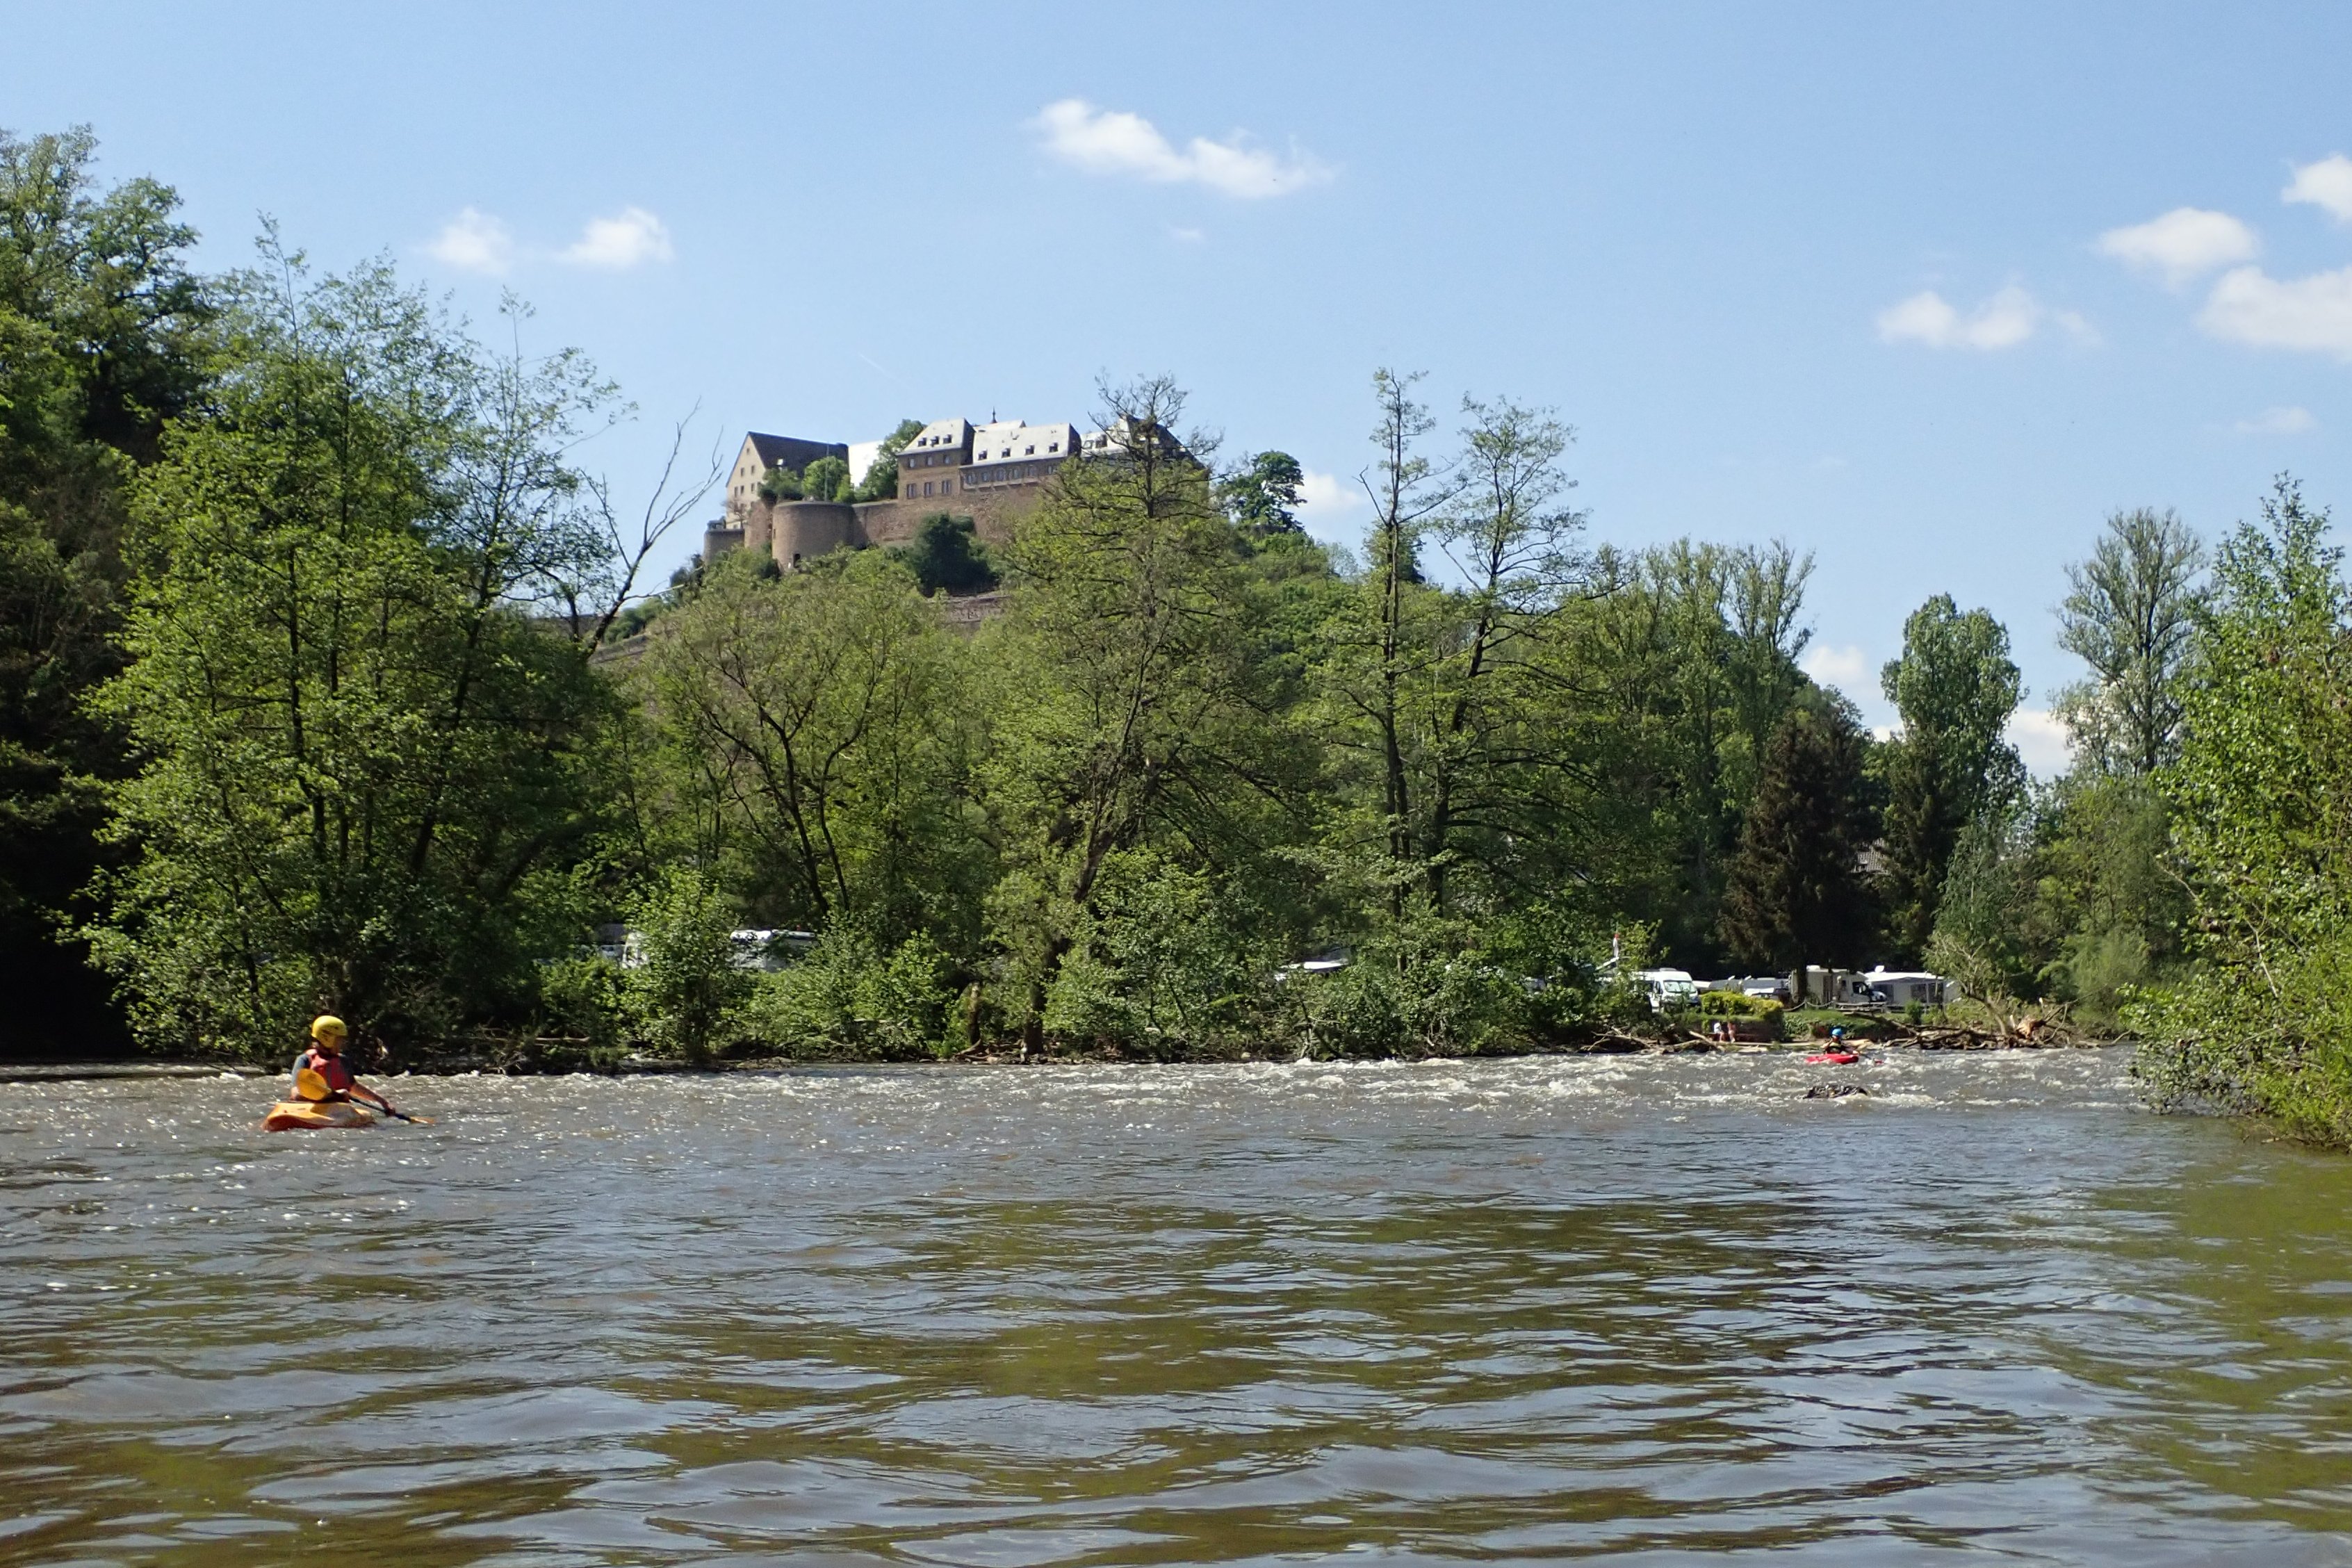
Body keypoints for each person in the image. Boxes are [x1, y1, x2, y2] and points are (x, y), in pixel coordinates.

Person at [293, 1015, 399, 1116]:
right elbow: (296, 1095)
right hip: (312, 1109)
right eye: (339, 1040)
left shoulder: (343, 1061)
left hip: (338, 1110)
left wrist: (382, 1102)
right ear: (327, 1038)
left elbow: (354, 1087)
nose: (342, 1043)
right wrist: (334, 1095)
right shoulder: (305, 1060)